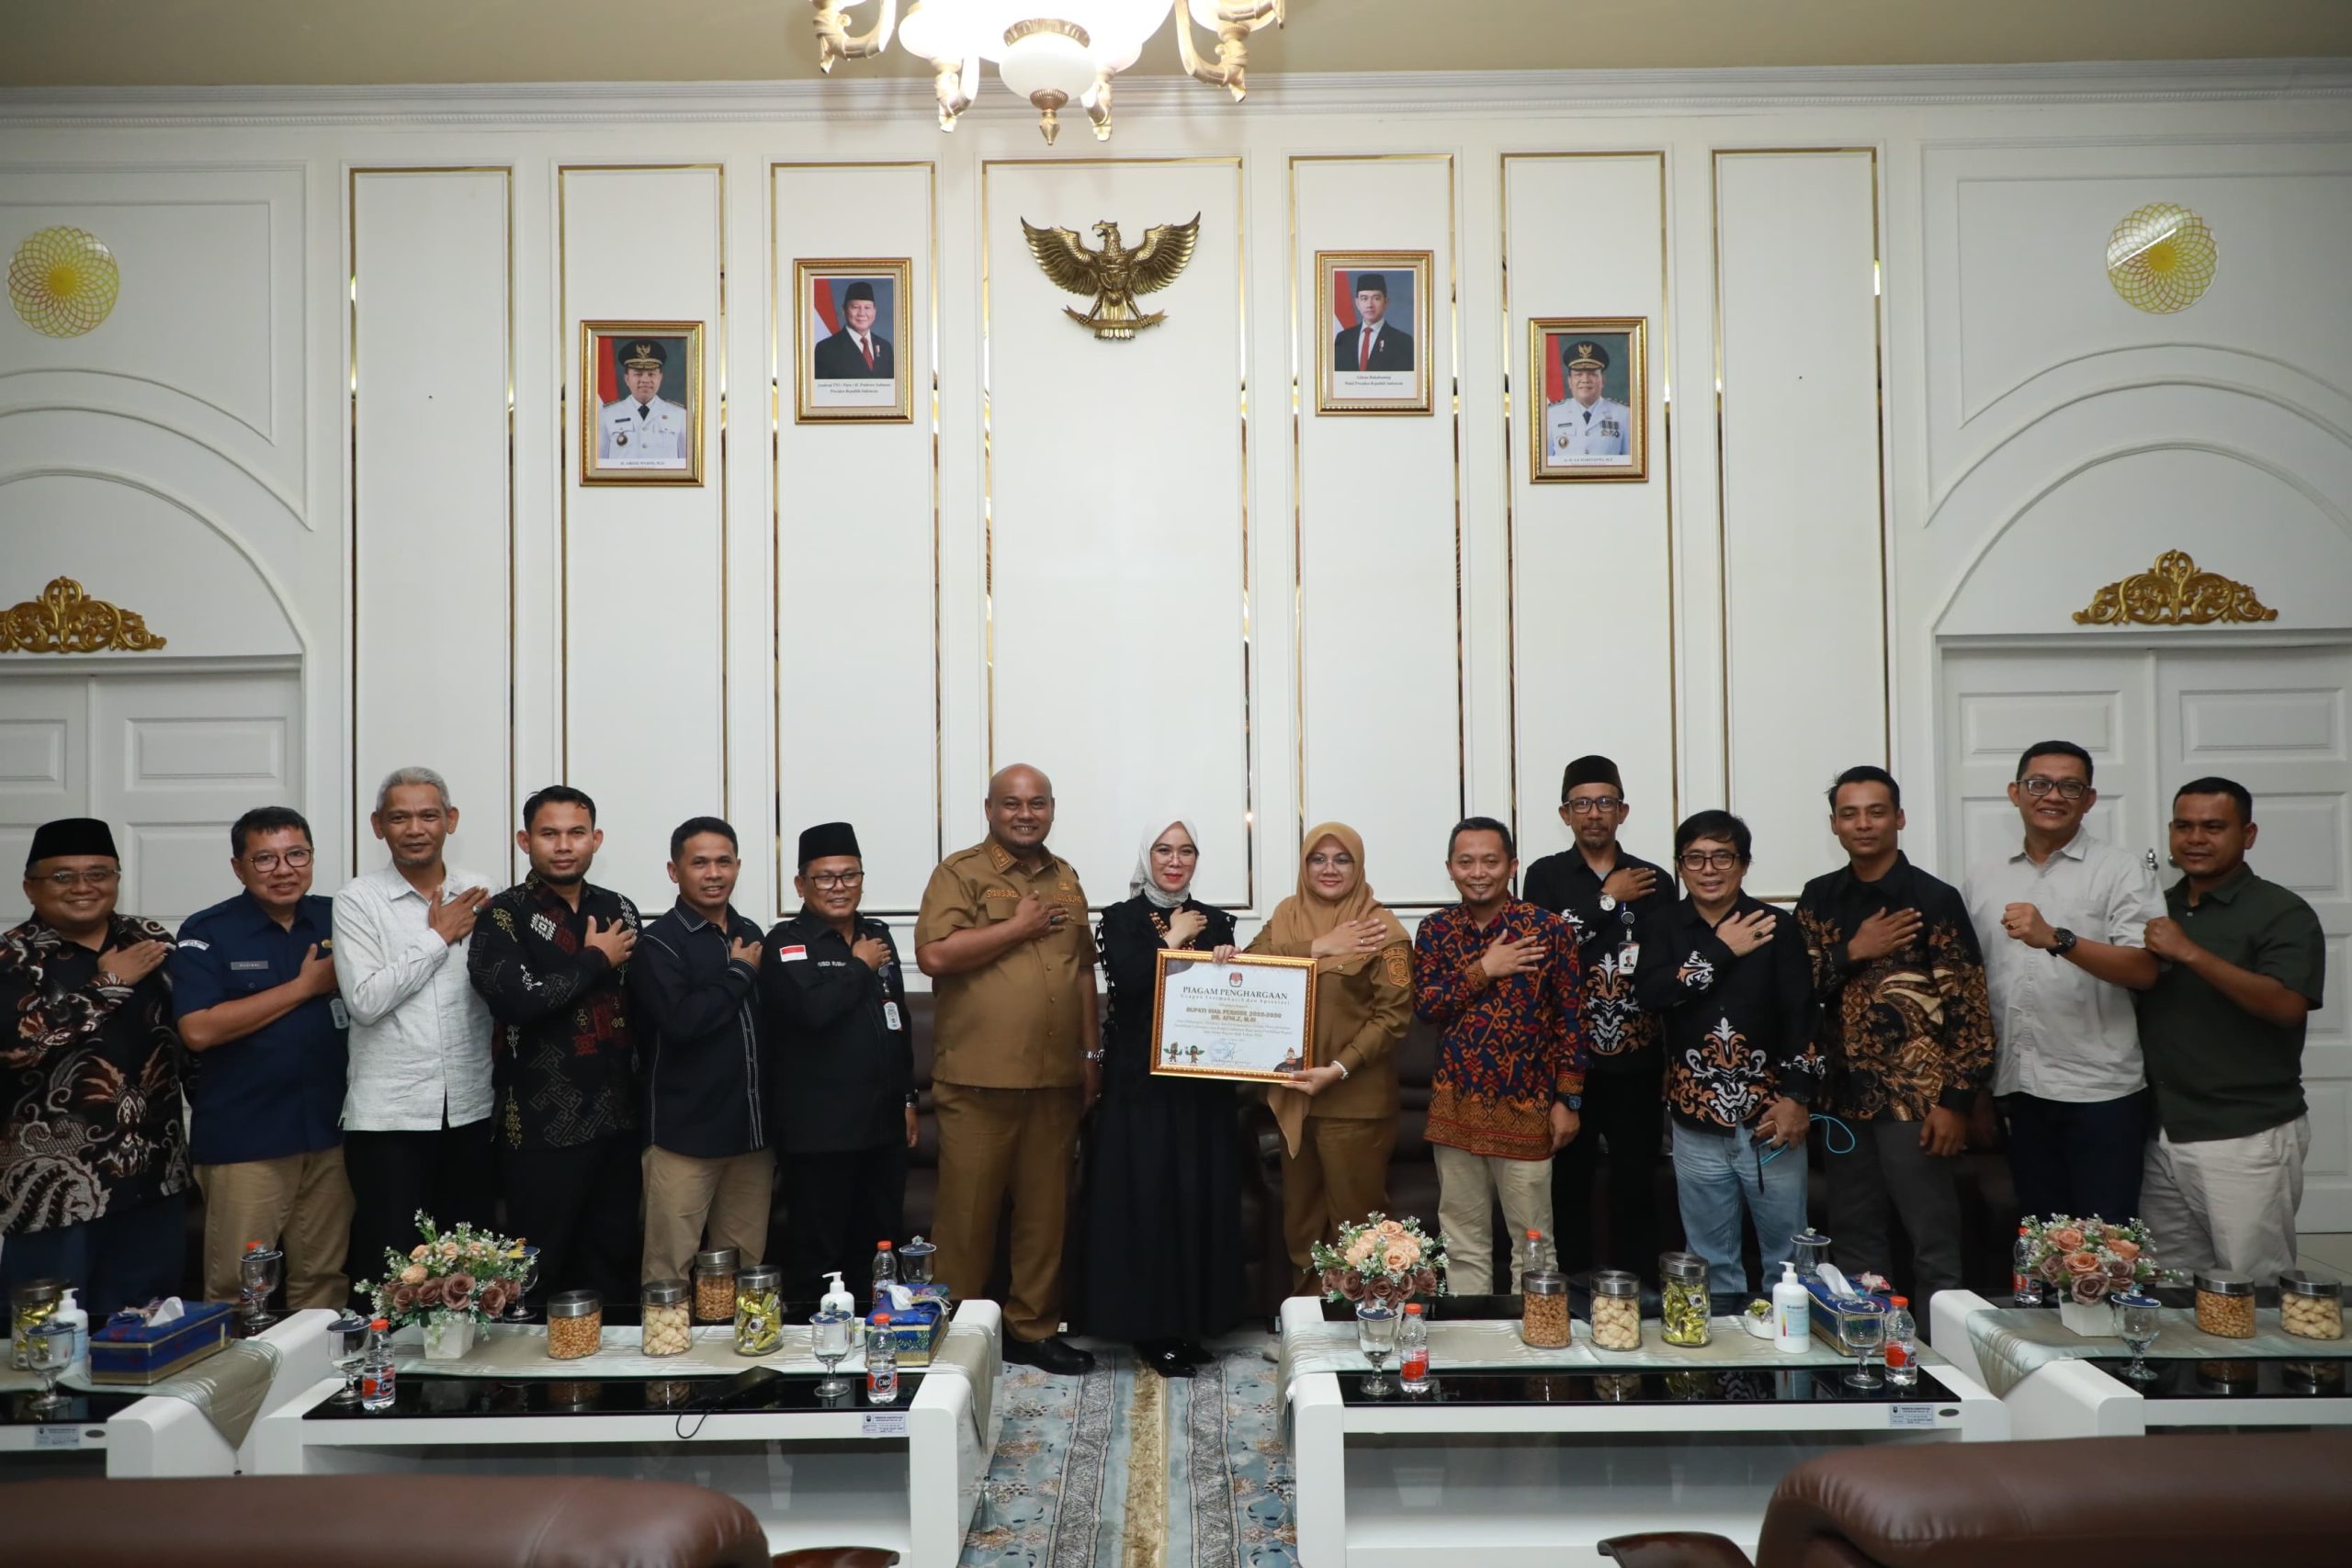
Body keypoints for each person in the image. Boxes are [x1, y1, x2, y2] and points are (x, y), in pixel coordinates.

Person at [915, 765, 1098, 1376]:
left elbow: (1082, 971)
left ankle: (1033, 1329)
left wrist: (1090, 1055)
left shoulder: (1066, 877)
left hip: (1055, 1081)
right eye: (1012, 804)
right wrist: (1016, 927)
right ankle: (960, 1336)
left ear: (1052, 809)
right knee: (966, 1219)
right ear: (990, 808)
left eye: (1037, 803)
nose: (1026, 814)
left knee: (1046, 1218)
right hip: (978, 1081)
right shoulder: (960, 873)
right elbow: (934, 954)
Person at [1796, 768, 1993, 1304]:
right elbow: (1794, 990)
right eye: (1850, 813)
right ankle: (1870, 1345)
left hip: (1918, 1102)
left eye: (1876, 811)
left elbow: (1970, 1009)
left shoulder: (1934, 898)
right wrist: (1853, 951)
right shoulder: (1819, 897)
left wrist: (1956, 1102)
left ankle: (1945, 1349)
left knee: (1933, 1242)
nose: (1863, 824)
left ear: (1899, 818)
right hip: (1841, 1101)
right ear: (1834, 825)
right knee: (1855, 1242)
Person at [2134, 778, 2326, 1280]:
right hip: (2162, 1129)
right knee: (2170, 1284)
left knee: (2255, 1284)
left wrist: (2190, 953)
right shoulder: (2157, 909)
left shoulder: (2280, 911)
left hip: (2245, 1130)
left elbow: (2287, 1006)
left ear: (2248, 834)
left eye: (2213, 827)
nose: (2196, 838)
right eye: (2184, 826)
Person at [1964, 740, 2162, 1223]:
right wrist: (1977, 1089)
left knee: (2106, 1243)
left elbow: (2145, 970)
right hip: (2018, 1089)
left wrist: (2057, 938)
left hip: (2101, 1092)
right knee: (2041, 1242)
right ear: (2015, 793)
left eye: (2070, 786)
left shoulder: (2121, 871)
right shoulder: (1983, 876)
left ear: (2089, 799)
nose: (2053, 795)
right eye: (2039, 784)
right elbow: (1971, 988)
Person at [0, 818, 187, 1314]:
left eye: (98, 873)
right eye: (63, 876)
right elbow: (19, 1047)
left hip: (154, 1180)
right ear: (30, 886)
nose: (83, 887)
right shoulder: (12, 958)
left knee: (151, 1331)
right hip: (53, 1194)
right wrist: (108, 986)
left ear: (116, 879)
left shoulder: (148, 939)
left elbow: (190, 1034)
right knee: (48, 1335)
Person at [172, 807, 356, 1310]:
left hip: (331, 1131)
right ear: (239, 867)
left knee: (324, 1280)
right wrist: (304, 987)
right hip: (247, 1138)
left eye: (297, 855)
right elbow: (198, 1030)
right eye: (265, 859)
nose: (284, 870)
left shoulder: (340, 917)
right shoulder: (209, 931)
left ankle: (318, 1364)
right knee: (238, 1287)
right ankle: (235, 1367)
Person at [1081, 818, 1245, 1378]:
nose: (1175, 861)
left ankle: (1191, 1323)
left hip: (1201, 1086)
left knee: (1195, 1199)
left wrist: (1233, 969)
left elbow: (1234, 999)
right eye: (1164, 850)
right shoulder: (1119, 919)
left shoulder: (1217, 919)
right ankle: (1151, 1330)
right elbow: (1129, 984)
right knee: (1149, 1200)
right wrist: (1171, 942)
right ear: (1146, 856)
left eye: (1186, 851)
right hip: (1141, 1086)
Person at [467, 785, 642, 1303]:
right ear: (525, 841)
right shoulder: (503, 916)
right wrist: (595, 959)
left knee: (613, 1268)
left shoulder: (618, 908)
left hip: (618, 1119)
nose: (564, 845)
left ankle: (608, 1359)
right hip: (540, 1126)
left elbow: (641, 1004)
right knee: (537, 1274)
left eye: (576, 833)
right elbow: (520, 1001)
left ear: (595, 840)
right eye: (549, 834)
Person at [1634, 810, 1820, 1296]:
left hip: (1771, 1117)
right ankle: (1724, 1350)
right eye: (1695, 858)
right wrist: (1721, 951)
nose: (1709, 869)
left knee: (1789, 1260)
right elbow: (1651, 994)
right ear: (1680, 867)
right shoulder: (1663, 926)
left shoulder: (1776, 926)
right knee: (1710, 1262)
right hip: (1694, 1120)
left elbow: (1802, 1016)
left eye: (1722, 857)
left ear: (1744, 864)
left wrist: (1797, 1098)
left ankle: (1787, 1348)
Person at [333, 767, 497, 1298]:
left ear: (450, 820)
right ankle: (385, 1356)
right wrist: (437, 937)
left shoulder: (482, 893)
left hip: (470, 1107)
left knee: (470, 1267)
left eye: (428, 815)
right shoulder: (358, 900)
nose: (415, 828)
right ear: (378, 826)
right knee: (391, 1269)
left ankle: (465, 1356)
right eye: (399, 817)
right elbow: (365, 1001)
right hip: (390, 1115)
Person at [1236, 823, 1413, 1295]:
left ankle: (1367, 1325)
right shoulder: (1286, 915)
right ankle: (1311, 1321)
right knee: (1302, 1223)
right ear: (1304, 865)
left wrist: (1338, 1069)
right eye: (1318, 858)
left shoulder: (1382, 929)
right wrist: (1318, 947)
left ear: (1358, 866)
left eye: (1342, 859)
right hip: (1295, 1099)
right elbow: (1250, 966)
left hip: (1354, 1102)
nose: (1329, 869)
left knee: (1359, 1229)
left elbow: (1393, 1018)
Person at [1411, 818, 1586, 1294]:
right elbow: (1427, 1005)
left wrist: (1568, 1101)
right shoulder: (1435, 930)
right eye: (1466, 862)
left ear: (1511, 866)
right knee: (1462, 1243)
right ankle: (1473, 1336)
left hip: (1528, 1109)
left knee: (1534, 1245)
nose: (1478, 872)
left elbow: (1572, 1022)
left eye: (1490, 861)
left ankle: (1537, 1335)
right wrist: (1485, 968)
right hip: (1455, 1111)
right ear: (1450, 868)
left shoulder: (1548, 930)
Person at [1523, 754, 1673, 1280]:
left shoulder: (1655, 880)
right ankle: (1571, 1296)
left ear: (1622, 811)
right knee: (1568, 1187)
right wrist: (1608, 900)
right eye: (1582, 804)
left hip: (1638, 1062)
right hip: (1568, 1062)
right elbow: (1543, 948)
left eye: (1604, 802)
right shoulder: (1544, 876)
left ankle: (1636, 1297)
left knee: (1637, 1185)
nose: (1593, 813)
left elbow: (1666, 971)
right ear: (1565, 814)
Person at [764, 821, 914, 1306]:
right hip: (820, 1133)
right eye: (825, 877)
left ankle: (878, 1338)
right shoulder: (787, 943)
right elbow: (813, 1012)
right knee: (820, 1258)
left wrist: (909, 1098)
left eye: (850, 876)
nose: (839, 887)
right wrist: (858, 966)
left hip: (882, 1128)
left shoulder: (876, 934)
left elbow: (897, 1019)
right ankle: (816, 1345)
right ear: (801, 884)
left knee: (879, 1252)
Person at [631, 817, 774, 1285]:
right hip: (684, 1139)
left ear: (738, 867)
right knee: (668, 1271)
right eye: (700, 863)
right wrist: (739, 973)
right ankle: (667, 1339)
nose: (714, 873)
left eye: (723, 862)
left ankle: (733, 1341)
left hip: (750, 1137)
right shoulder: (659, 943)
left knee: (743, 1273)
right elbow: (683, 1023)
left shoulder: (750, 932)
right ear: (674, 871)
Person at [597, 338, 689, 463]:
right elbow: (599, 464)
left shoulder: (680, 415)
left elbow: (686, 465)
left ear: (660, 377)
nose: (645, 380)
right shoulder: (607, 415)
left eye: (651, 374)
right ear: (627, 379)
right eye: (638, 374)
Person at [1544, 339, 1632, 459]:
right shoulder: (1551, 414)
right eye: (1578, 374)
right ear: (1569, 381)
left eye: (1592, 374)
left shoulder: (1624, 414)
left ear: (1603, 380)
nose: (1585, 380)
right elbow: (1544, 463)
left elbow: (1631, 463)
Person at [811, 280, 895, 379]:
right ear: (844, 311)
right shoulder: (825, 349)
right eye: (855, 307)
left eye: (867, 308)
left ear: (874, 312)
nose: (862, 313)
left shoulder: (885, 347)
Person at [1334, 272, 1414, 373]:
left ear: (1386, 302)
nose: (1370, 305)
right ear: (1357, 303)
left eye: (1376, 298)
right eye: (1364, 298)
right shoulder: (1343, 338)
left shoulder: (1403, 341)